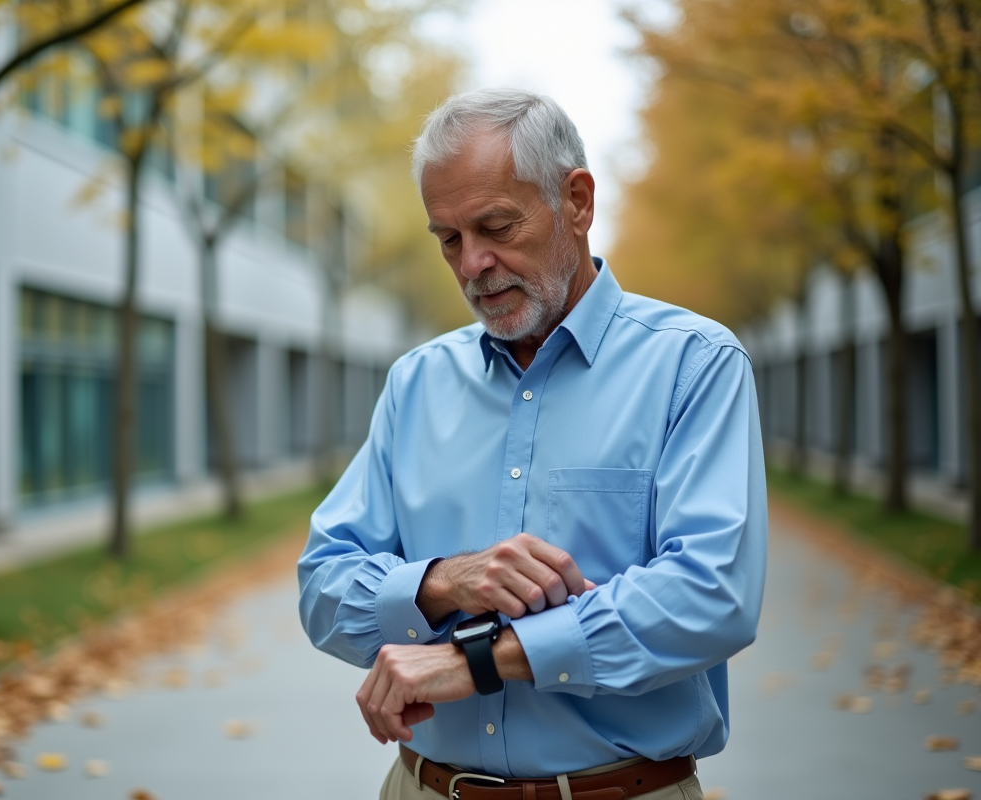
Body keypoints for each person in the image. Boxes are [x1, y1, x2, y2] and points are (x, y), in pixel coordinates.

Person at [297, 88, 766, 800]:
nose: (471, 264)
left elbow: (711, 594)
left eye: (495, 226)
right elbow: (323, 584)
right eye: (449, 239)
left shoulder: (694, 365)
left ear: (577, 201)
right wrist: (440, 583)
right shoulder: (415, 383)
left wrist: (480, 659)